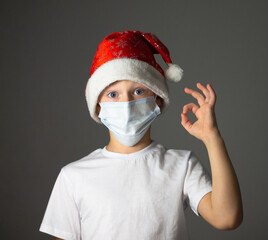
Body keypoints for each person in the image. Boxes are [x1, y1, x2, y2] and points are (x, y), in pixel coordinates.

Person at [39, 31, 243, 240]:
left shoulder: (182, 165)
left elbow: (226, 217)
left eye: (138, 91)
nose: (126, 103)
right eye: (113, 94)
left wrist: (212, 138)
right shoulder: (74, 176)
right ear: (98, 108)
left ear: (158, 100)